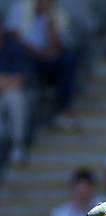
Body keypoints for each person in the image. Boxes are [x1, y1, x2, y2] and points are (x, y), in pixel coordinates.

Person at [5, 0, 78, 126]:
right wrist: (36, 51)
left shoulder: (58, 14)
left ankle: (65, 109)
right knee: (21, 55)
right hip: (27, 55)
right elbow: (12, 35)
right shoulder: (20, 8)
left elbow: (60, 45)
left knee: (69, 58)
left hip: (47, 58)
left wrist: (51, 20)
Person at [0, 20, 29, 163]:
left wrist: (3, 81)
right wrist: (6, 79)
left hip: (8, 93)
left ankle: (18, 146)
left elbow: (19, 80)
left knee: (16, 98)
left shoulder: (13, 47)